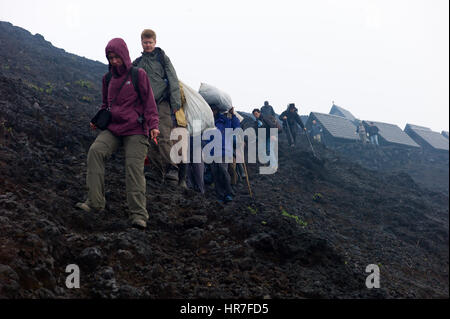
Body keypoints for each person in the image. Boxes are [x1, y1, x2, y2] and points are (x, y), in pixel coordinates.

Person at [76, 38, 159, 230]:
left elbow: (149, 103)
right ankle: (95, 202)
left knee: (133, 168)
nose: (114, 61)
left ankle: (138, 215)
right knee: (95, 152)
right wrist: (97, 120)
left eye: (116, 57)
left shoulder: (138, 75)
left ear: (124, 55)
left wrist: (153, 125)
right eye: (110, 57)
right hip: (113, 128)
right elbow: (106, 105)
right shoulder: (108, 78)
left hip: (136, 129)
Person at [133, 29, 182, 184]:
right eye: (145, 42)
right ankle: (156, 170)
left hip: (161, 103)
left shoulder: (162, 58)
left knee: (164, 136)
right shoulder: (137, 63)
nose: (147, 45)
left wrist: (175, 103)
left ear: (155, 42)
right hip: (144, 106)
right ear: (141, 42)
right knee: (149, 137)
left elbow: (173, 79)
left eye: (150, 42)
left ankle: (172, 168)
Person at [210, 106, 240, 203]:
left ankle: (229, 192)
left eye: (213, 109)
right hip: (211, 151)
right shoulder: (208, 122)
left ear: (217, 110)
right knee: (215, 173)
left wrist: (233, 114)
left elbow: (237, 127)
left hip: (224, 150)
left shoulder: (225, 120)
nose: (212, 111)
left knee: (223, 170)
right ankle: (220, 195)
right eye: (210, 110)